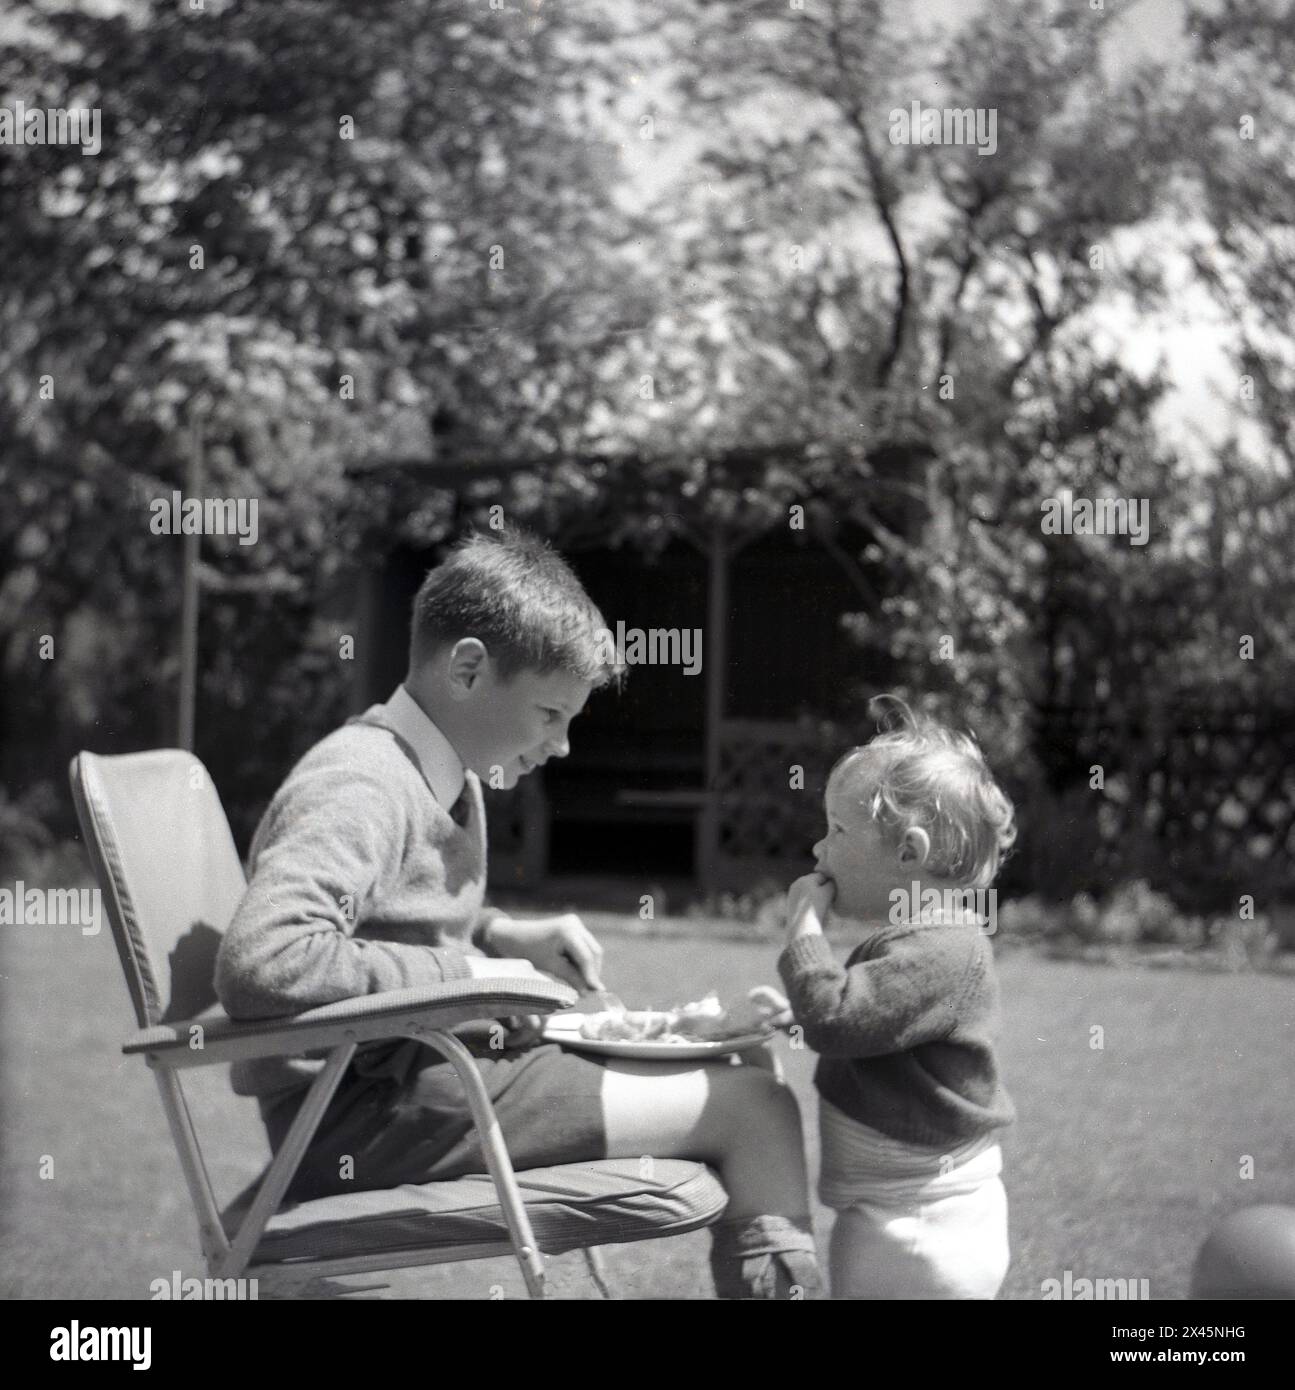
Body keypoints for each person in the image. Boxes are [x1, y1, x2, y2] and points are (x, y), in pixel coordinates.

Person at [214, 525, 819, 1298]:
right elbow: (266, 958)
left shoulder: (441, 773)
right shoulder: (360, 783)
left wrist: (502, 935)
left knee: (742, 1062)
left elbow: (385, 918)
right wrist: (470, 974)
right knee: (754, 1109)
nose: (562, 745)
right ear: (467, 668)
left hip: (422, 1081)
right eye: (548, 714)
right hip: (370, 1110)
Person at [777, 696, 1017, 1299]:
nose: (819, 850)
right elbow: (871, 1025)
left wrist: (804, 928)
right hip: (907, 1216)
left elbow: (837, 1020)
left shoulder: (943, 949)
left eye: (836, 830)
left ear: (909, 852)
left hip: (921, 1229)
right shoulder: (920, 939)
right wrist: (793, 1014)